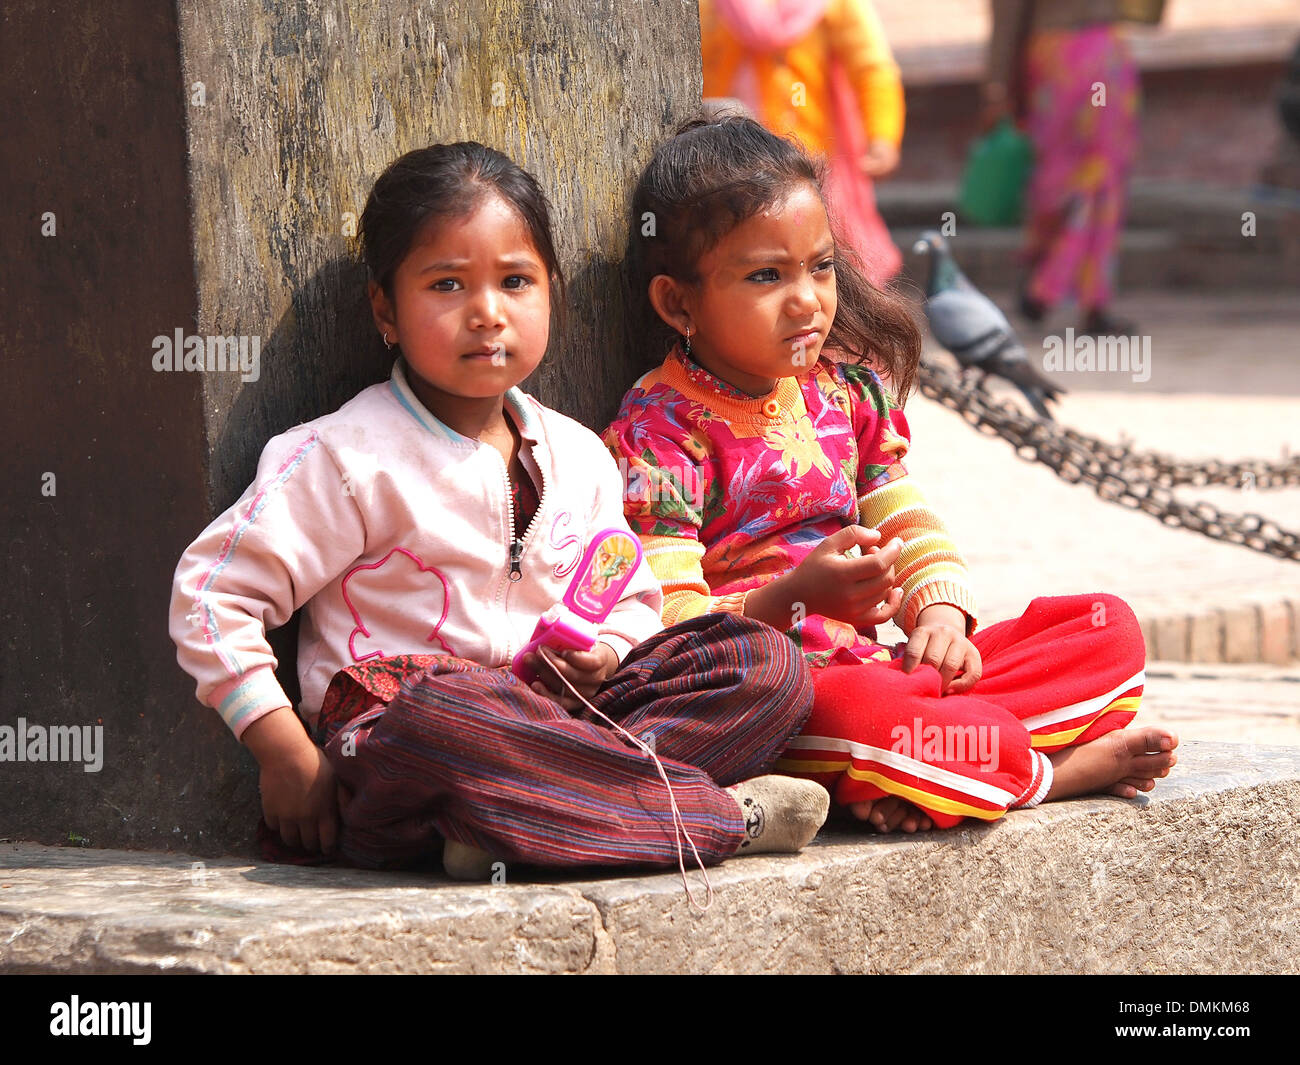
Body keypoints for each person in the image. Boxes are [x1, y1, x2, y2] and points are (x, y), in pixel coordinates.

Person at [169, 142, 829, 881]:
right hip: (410, 752)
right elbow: (211, 595)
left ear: (551, 292)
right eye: (447, 285)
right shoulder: (343, 457)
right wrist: (282, 748)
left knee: (764, 661)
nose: (487, 312)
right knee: (444, 720)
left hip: (558, 722)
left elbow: (633, 594)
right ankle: (719, 817)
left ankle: (522, 823)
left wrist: (606, 651)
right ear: (386, 308)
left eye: (516, 281)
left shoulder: (579, 454)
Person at [604, 117, 1179, 833]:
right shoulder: (659, 433)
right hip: (789, 697)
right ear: (677, 302)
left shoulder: (844, 390)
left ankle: (936, 762)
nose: (809, 299)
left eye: (819, 267)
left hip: (891, 667)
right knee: (876, 716)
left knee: (1107, 630)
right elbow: (667, 630)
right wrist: (794, 597)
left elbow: (901, 509)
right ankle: (1048, 772)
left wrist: (939, 617)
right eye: (765, 276)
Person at [983, 0, 1166, 336]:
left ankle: (1049, 282)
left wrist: (998, 86)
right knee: (1098, 176)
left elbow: (1008, 14)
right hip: (1098, 54)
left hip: (1059, 58)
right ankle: (1074, 295)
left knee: (1067, 176)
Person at [700, 0, 905, 286]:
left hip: (808, 164)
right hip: (727, 168)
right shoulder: (709, 6)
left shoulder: (835, 5)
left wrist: (882, 138)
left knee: (822, 264)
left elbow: (872, 69)